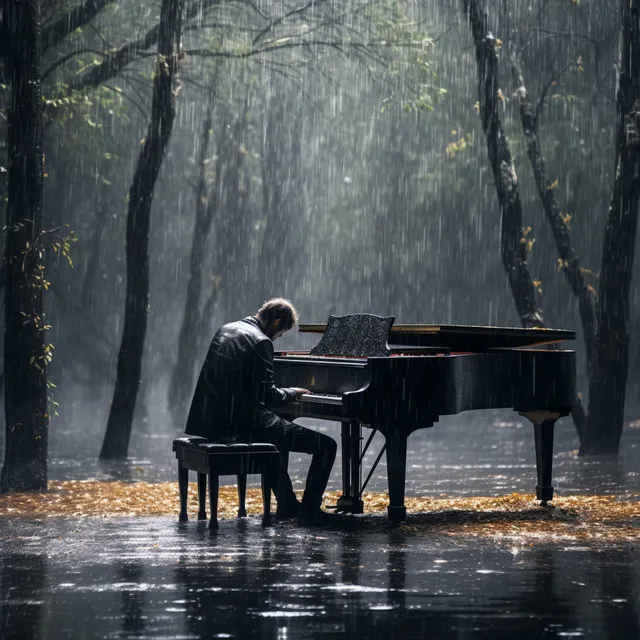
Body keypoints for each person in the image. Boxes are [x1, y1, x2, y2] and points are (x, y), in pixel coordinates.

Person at [185, 297, 338, 526]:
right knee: (326, 446)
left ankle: (286, 504)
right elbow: (269, 397)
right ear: (276, 323)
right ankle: (309, 512)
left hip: (211, 421)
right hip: (243, 424)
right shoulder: (260, 342)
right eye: (280, 334)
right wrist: (293, 392)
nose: (277, 338)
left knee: (277, 435)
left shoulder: (227, 329)